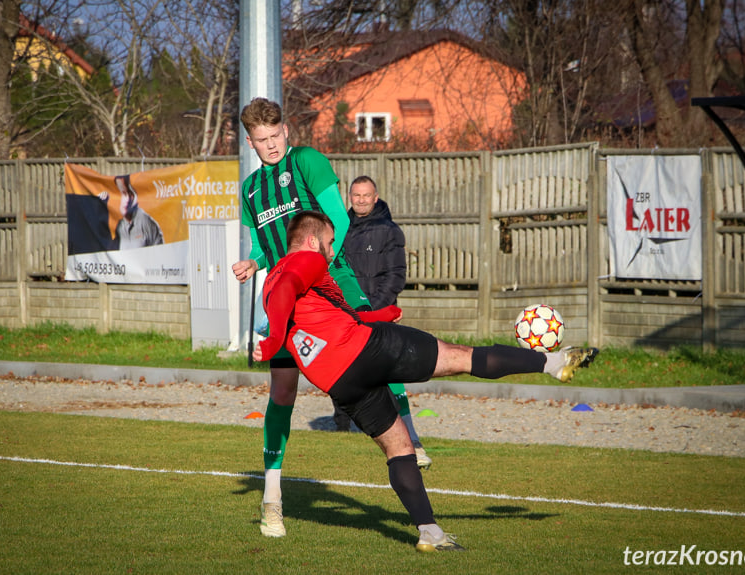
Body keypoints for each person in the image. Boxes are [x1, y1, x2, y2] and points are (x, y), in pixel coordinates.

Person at [252, 211, 598, 552]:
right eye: (328, 244)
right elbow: (289, 286)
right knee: (461, 356)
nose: (331, 252)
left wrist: (377, 315)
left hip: (341, 382)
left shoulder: (269, 282)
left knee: (399, 449)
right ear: (311, 241)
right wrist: (270, 344)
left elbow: (318, 314)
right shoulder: (306, 261)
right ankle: (554, 361)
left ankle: (429, 532)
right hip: (368, 350)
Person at [230, 98, 422, 538]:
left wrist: (319, 263)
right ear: (250, 142)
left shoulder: (307, 162)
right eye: (263, 140)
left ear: (286, 131)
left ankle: (412, 435)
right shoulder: (251, 190)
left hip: (330, 286)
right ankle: (271, 500)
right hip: (286, 299)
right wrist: (253, 263)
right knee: (282, 394)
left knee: (379, 344)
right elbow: (267, 244)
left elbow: (336, 216)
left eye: (277, 135)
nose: (272, 144)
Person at [340, 175, 431, 469]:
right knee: (347, 372)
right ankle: (348, 426)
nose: (361, 200)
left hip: (378, 316)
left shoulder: (389, 231)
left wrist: (371, 310)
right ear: (349, 197)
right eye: (356, 195)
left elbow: (395, 277)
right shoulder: (341, 229)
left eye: (366, 195)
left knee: (391, 374)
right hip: (349, 317)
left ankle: (413, 441)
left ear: (376, 197)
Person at [114, 175, 163, 249]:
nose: (126, 199)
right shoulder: (120, 226)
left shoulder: (144, 221)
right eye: (120, 194)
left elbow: (160, 251)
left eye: (127, 194)